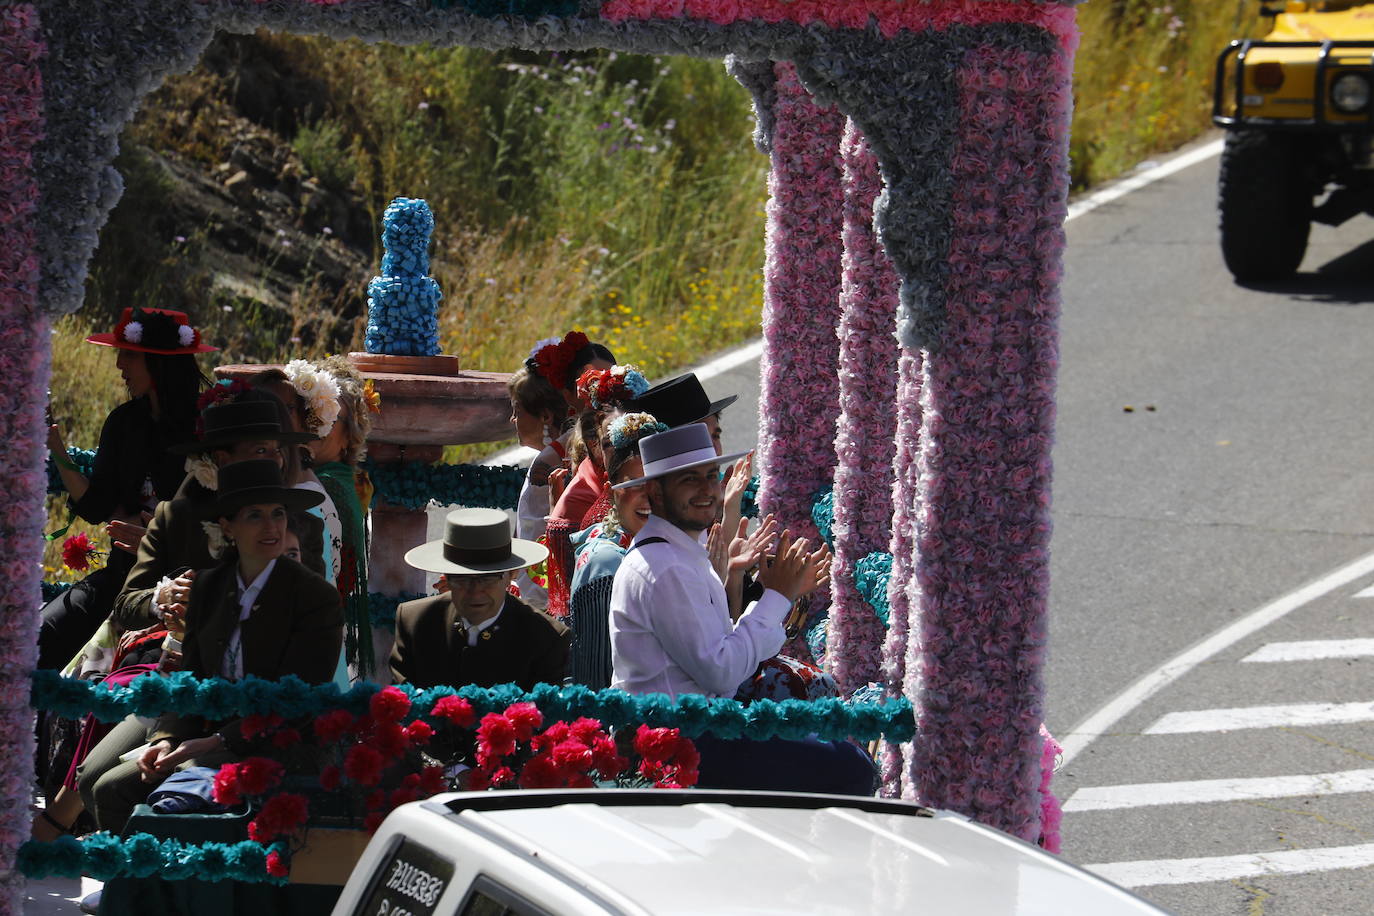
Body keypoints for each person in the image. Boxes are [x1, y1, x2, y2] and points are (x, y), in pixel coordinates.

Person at [80, 459, 341, 835]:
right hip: (208, 734)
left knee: (180, 784)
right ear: (227, 526)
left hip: (281, 742)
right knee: (109, 789)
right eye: (255, 515)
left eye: (278, 514)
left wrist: (212, 743)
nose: (271, 527)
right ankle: (146, 887)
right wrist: (167, 738)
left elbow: (295, 701)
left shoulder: (315, 597)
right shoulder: (209, 586)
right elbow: (191, 678)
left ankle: (178, 887)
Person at [609, 423, 873, 795]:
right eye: (689, 479)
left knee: (837, 739)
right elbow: (722, 673)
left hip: (701, 728)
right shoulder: (665, 565)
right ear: (655, 490)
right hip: (683, 742)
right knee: (847, 766)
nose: (706, 489)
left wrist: (778, 594)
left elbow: (725, 659)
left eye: (711, 476)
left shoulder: (678, 552)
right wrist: (777, 596)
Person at [38, 308, 215, 672]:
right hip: (121, 578)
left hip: (184, 590)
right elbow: (96, 505)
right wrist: (55, 446)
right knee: (42, 634)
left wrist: (157, 541)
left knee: (127, 670)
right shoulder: (123, 421)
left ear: (159, 362)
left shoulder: (208, 428)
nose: (119, 364)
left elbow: (221, 525)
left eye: (129, 354)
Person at [390, 508, 568, 692]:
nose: (475, 590)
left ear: (511, 575)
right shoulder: (415, 622)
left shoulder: (546, 638)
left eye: (489, 578)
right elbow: (402, 707)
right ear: (446, 577)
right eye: (461, 578)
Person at [567, 413, 665, 688]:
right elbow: (597, 674)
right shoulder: (606, 562)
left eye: (658, 483)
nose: (649, 496)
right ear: (611, 492)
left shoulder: (664, 536)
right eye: (634, 484)